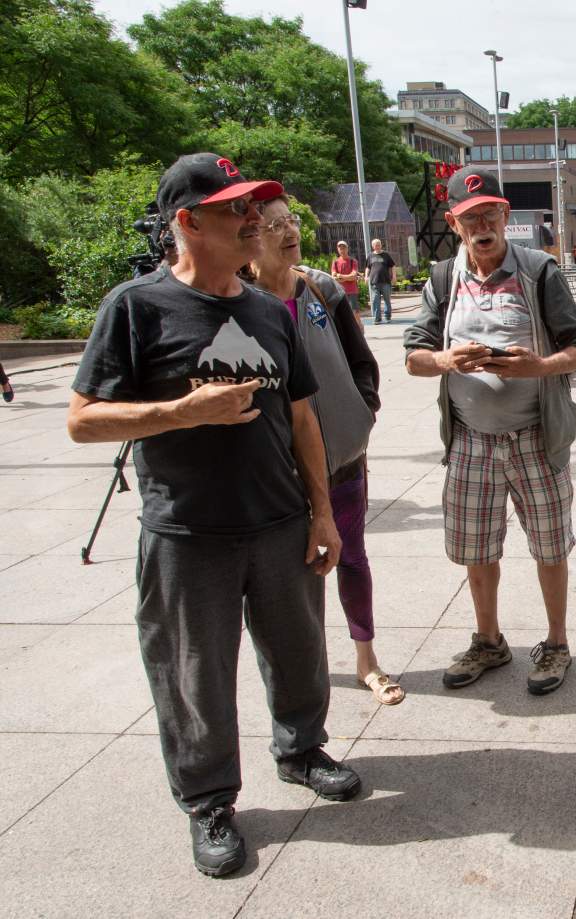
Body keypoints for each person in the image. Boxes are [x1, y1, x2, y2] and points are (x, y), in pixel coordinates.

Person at [65, 153, 361, 877]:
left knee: (298, 650)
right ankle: (209, 801)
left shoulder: (267, 308)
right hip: (187, 532)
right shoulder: (134, 307)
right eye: (235, 208)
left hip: (280, 521)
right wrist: (179, 411)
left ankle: (301, 748)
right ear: (187, 222)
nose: (253, 218)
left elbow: (302, 418)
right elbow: (82, 421)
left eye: (254, 205)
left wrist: (323, 513)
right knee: (193, 674)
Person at [404, 168, 576, 696]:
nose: (482, 223)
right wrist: (446, 359)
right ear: (453, 222)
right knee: (477, 548)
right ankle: (489, 641)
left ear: (506, 216)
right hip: (470, 441)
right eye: (470, 217)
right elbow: (413, 356)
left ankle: (556, 644)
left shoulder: (539, 271)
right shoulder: (443, 279)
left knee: (550, 545)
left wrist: (541, 367)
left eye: (490, 212)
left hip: (537, 439)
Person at [250, 196, 403, 707]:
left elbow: (361, 360)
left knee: (352, 556)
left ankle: (367, 662)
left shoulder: (322, 287)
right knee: (291, 580)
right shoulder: (238, 301)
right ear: (250, 235)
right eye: (274, 225)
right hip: (278, 472)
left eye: (290, 220)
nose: (288, 231)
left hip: (342, 459)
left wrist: (362, 411)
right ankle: (303, 674)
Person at [366, 238, 396, 324]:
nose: (377, 246)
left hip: (385, 281)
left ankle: (387, 316)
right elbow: (368, 267)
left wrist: (394, 276)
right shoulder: (370, 256)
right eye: (375, 245)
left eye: (378, 245)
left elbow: (393, 266)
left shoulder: (386, 255)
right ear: (373, 246)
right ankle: (377, 318)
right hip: (374, 282)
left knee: (387, 299)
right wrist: (366, 276)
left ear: (381, 245)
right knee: (375, 300)